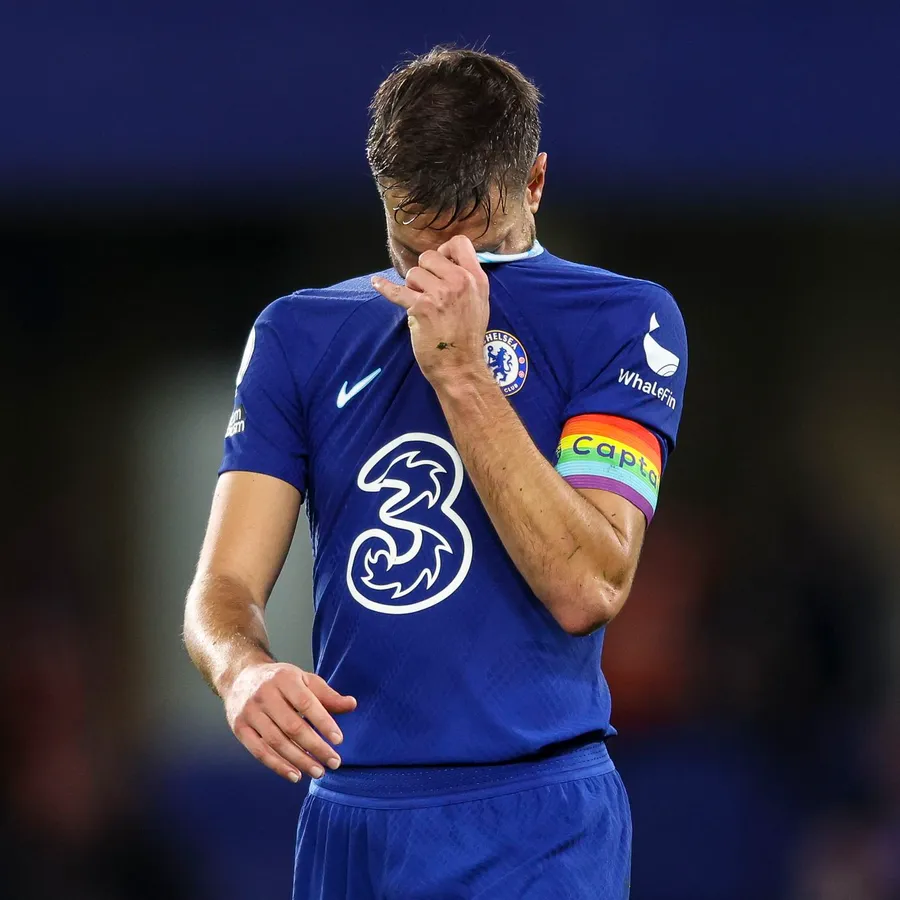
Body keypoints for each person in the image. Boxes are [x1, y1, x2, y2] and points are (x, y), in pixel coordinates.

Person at [184, 45, 688, 900]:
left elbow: (590, 585)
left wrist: (462, 375)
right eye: (413, 246)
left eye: (473, 248)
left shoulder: (623, 319)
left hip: (533, 816)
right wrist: (242, 671)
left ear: (534, 183)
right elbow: (223, 586)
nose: (442, 280)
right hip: (351, 814)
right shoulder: (298, 334)